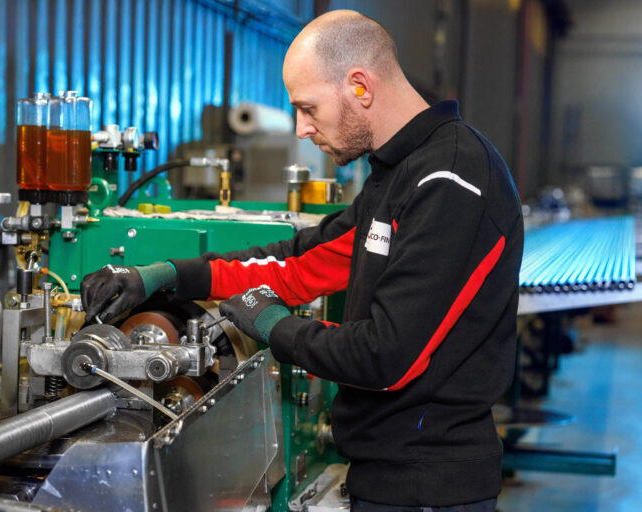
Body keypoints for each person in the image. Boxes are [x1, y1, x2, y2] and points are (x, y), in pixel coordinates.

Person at [81, 9, 523, 511]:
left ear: (360, 86)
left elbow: (386, 357)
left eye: (308, 108)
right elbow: (300, 263)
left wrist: (273, 324)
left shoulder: (452, 180)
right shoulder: (398, 174)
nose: (301, 128)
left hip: (428, 489)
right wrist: (167, 275)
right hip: (385, 477)